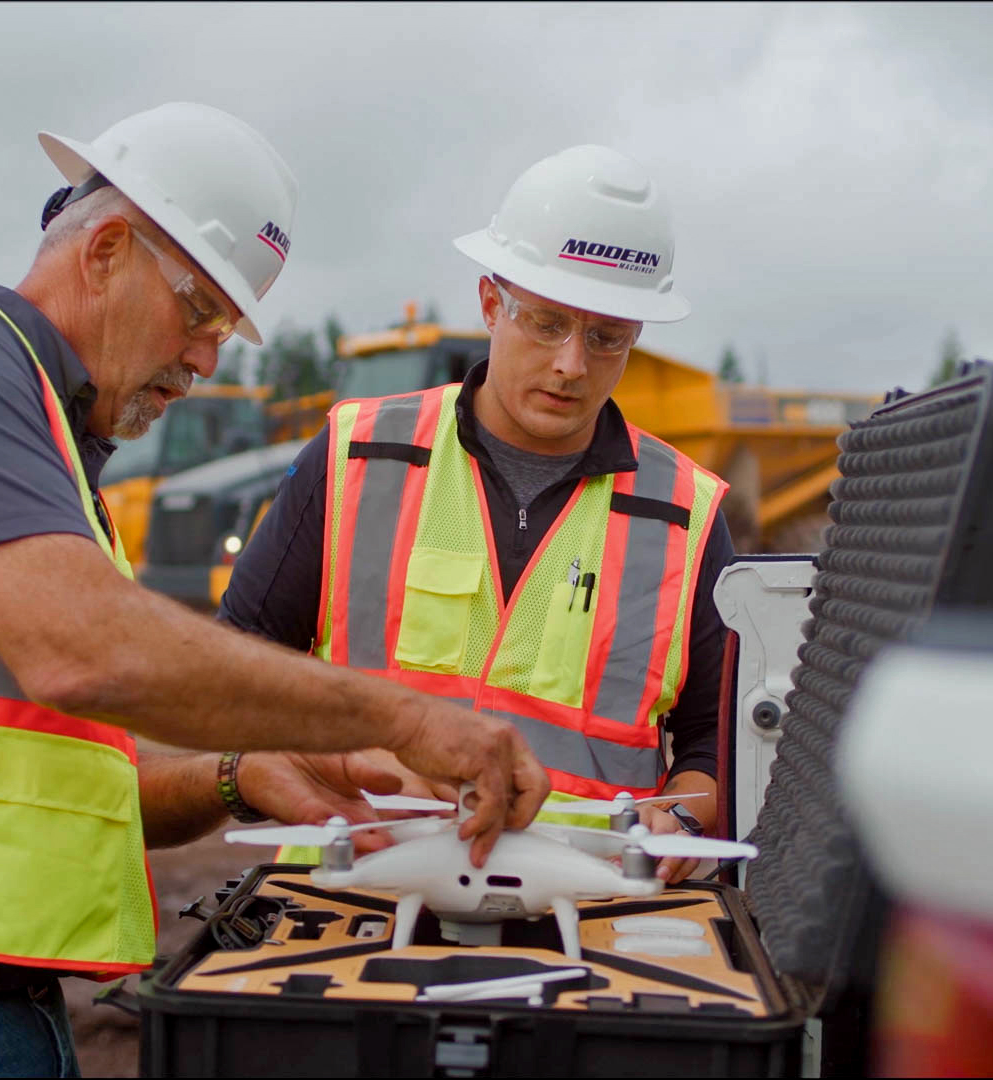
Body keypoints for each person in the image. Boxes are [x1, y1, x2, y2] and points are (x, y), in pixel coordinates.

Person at [0, 102, 547, 1078]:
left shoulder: (51, 457)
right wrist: (404, 716)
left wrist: (235, 775)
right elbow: (88, 651)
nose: (208, 359)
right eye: (201, 310)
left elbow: (52, 791)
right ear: (107, 248)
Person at [220, 144, 735, 881]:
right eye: (548, 324)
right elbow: (236, 667)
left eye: (606, 338)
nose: (571, 365)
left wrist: (681, 814)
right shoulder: (359, 455)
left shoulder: (685, 512)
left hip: (582, 916)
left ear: (636, 338)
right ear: (491, 303)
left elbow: (715, 747)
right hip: (354, 899)